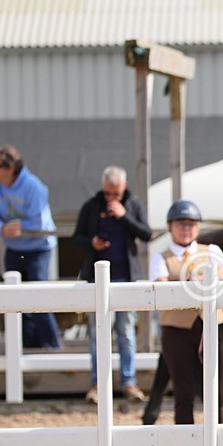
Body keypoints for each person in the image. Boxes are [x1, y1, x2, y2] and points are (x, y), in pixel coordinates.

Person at [150, 200, 223, 446]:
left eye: (191, 224)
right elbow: (161, 287)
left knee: (216, 393)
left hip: (210, 325)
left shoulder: (212, 251)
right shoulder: (161, 257)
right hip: (177, 329)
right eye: (181, 224)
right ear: (170, 227)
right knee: (183, 393)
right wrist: (195, 282)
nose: (186, 229)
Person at [76, 166, 152, 403]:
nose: (111, 198)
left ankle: (128, 382)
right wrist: (92, 242)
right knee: (98, 333)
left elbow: (146, 233)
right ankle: (98, 382)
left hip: (126, 278)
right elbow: (76, 237)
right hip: (97, 280)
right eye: (108, 193)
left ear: (124, 188)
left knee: (126, 332)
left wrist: (124, 215)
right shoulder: (91, 206)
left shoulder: (134, 205)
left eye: (116, 194)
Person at [0, 145, 61, 349]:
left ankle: (52, 348)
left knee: (38, 297)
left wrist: (16, 227)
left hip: (38, 249)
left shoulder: (33, 186)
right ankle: (26, 348)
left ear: (11, 168)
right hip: (14, 249)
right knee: (16, 300)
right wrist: (1, 228)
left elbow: (39, 222)